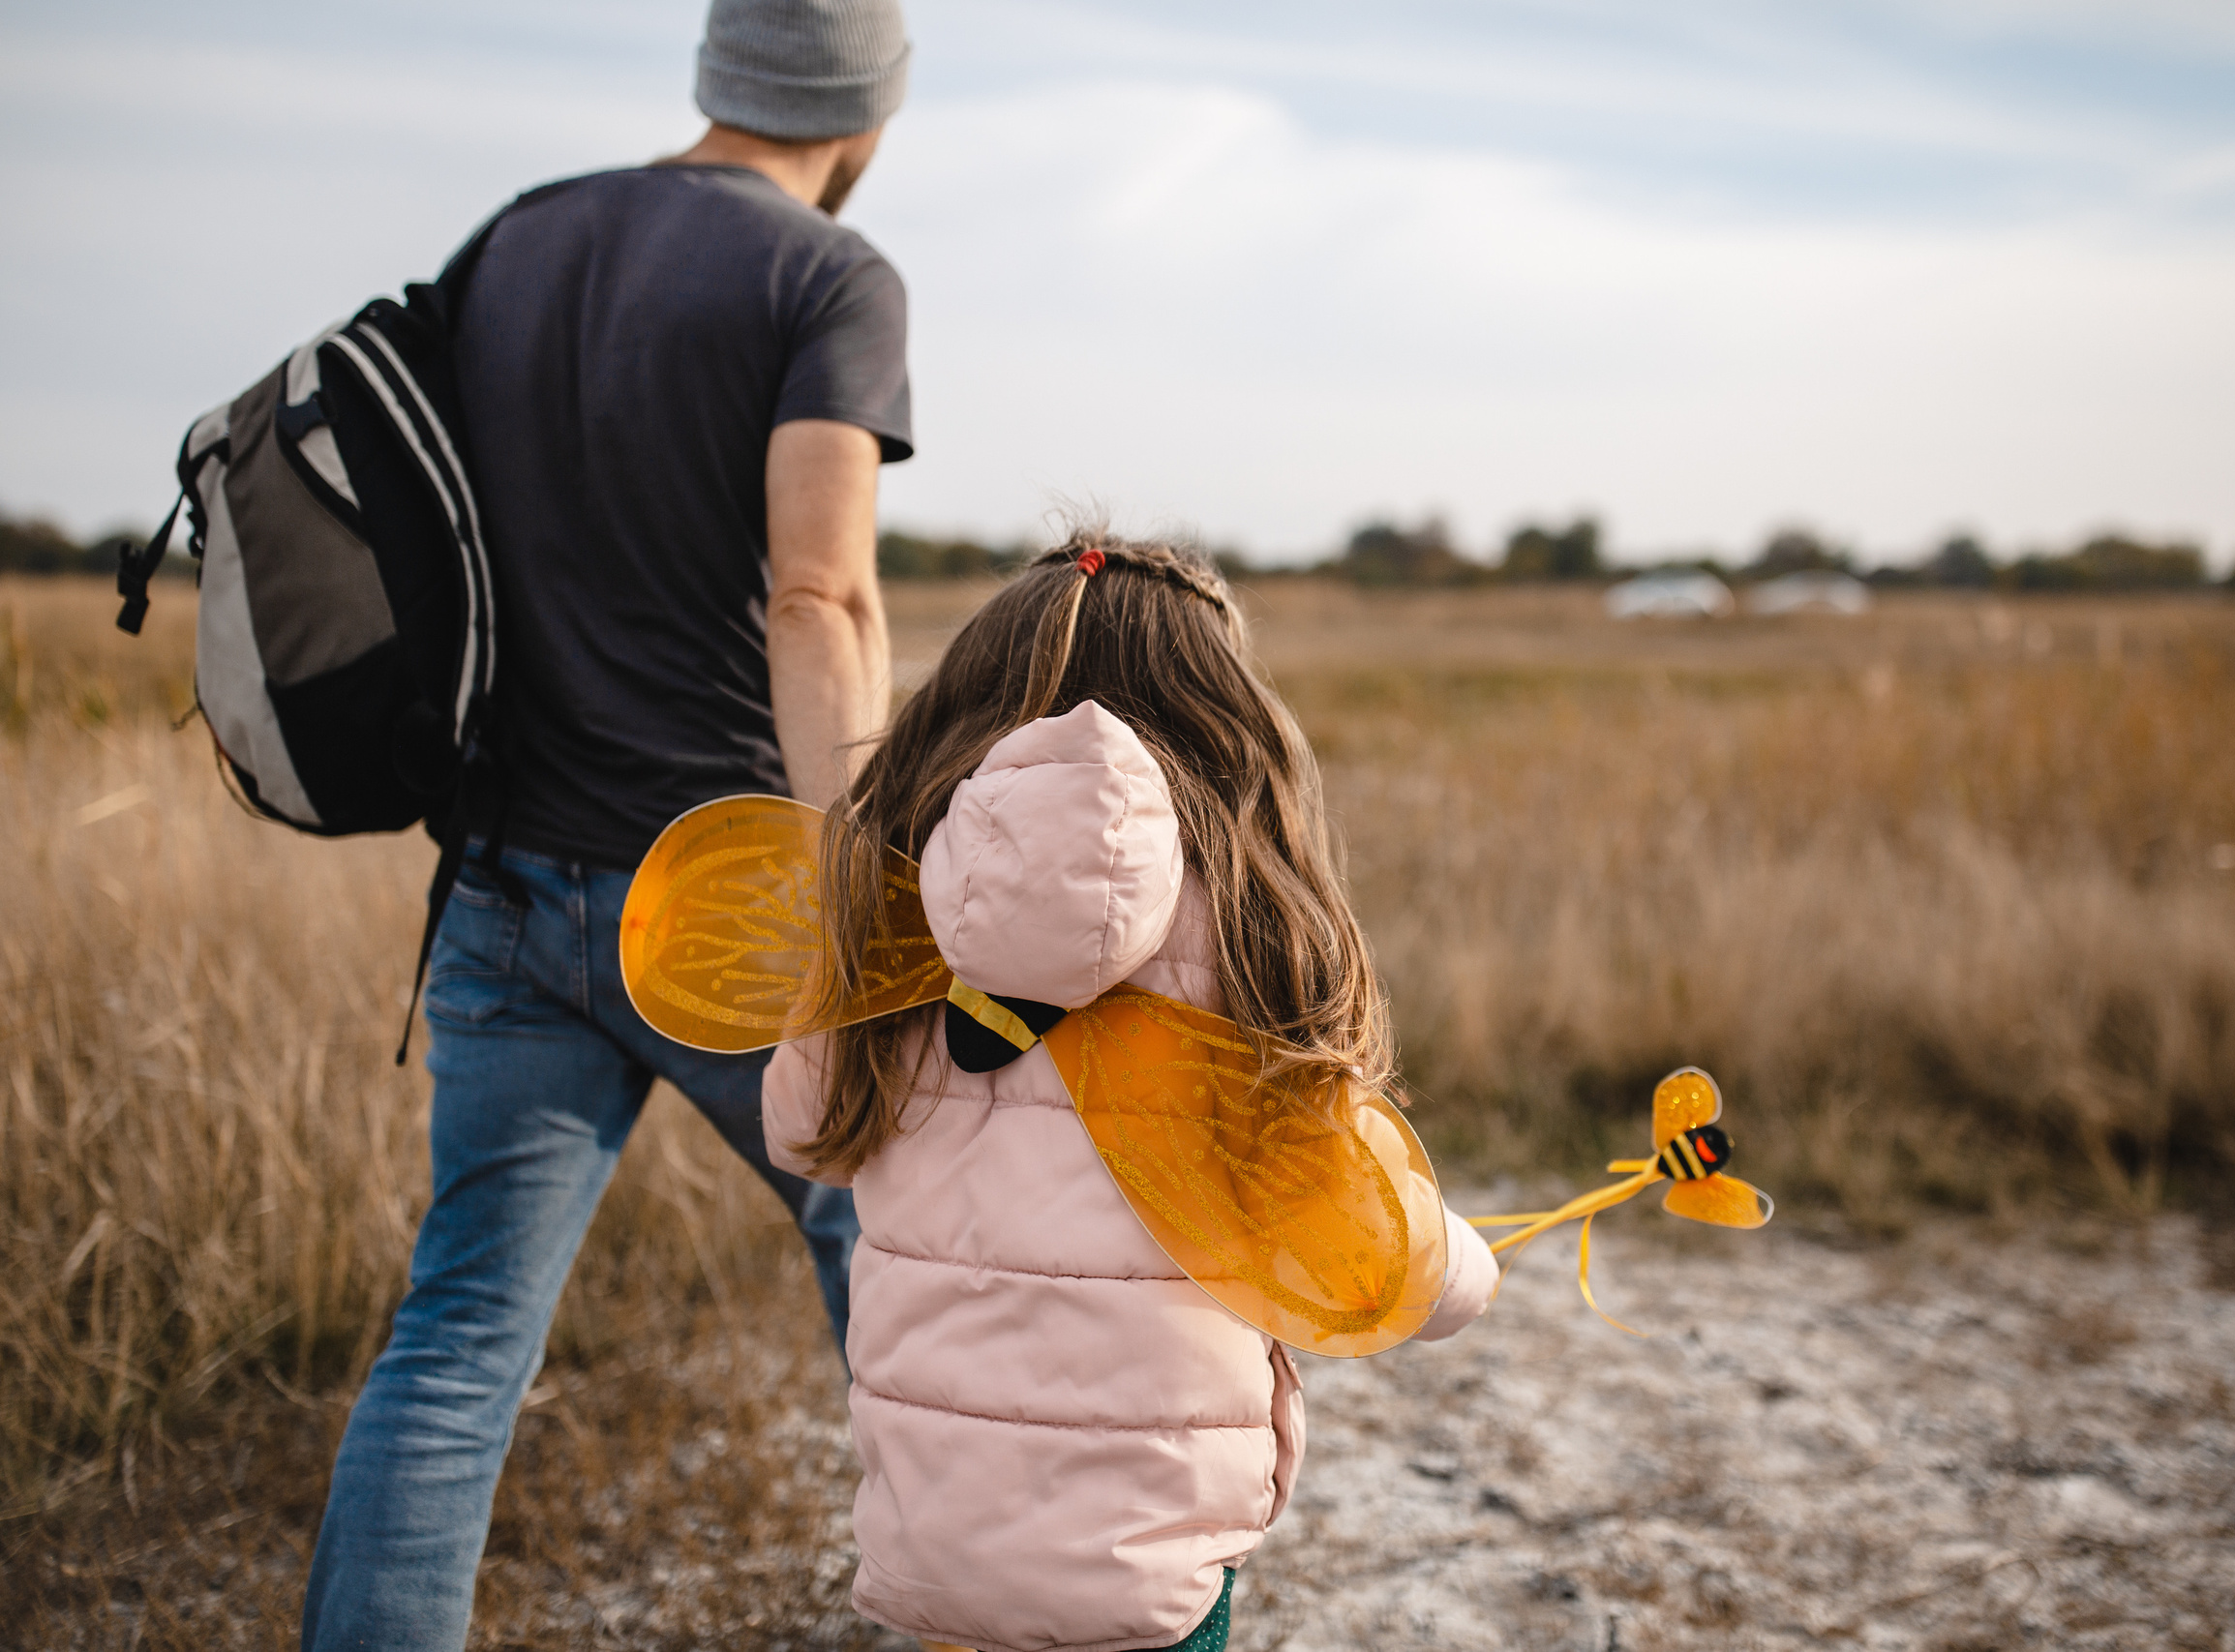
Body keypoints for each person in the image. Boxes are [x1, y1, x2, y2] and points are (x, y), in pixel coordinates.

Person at [299, 2, 914, 1646]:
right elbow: (820, 591)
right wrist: (866, 884)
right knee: (911, 1262)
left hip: (502, 885)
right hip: (728, 904)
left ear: (718, 72)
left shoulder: (518, 237)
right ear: (868, 113)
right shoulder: (828, 279)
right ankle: (999, 1604)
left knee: (455, 1341)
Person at [762, 535, 1504, 1652]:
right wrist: (1461, 1273)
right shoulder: (1252, 931)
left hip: (936, 1530)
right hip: (1149, 1555)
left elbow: (799, 1125)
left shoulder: (897, 915)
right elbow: (1350, 1215)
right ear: (1224, 723)